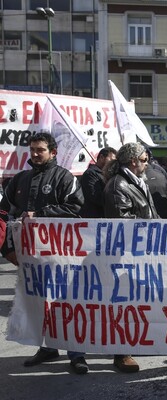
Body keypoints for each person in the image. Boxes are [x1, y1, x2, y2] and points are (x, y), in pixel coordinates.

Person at [0, 132, 85, 372]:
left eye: (41, 150)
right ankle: (47, 347)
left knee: (66, 303)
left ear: (53, 152)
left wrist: (41, 215)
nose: (35, 154)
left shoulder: (65, 178)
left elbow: (76, 210)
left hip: (61, 256)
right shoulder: (19, 179)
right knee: (39, 304)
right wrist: (8, 250)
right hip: (29, 257)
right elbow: (3, 213)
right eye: (33, 150)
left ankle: (77, 354)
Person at [103, 142, 158, 373]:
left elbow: (147, 212)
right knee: (124, 303)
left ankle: (131, 343)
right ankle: (121, 352)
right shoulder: (119, 185)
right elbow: (123, 224)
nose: (147, 164)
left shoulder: (135, 182)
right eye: (144, 160)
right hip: (125, 255)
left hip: (141, 252)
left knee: (137, 302)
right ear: (133, 160)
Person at [80, 147, 117, 218]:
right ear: (102, 157)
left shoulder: (108, 175)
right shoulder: (90, 174)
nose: (112, 164)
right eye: (111, 160)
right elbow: (96, 197)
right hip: (94, 217)